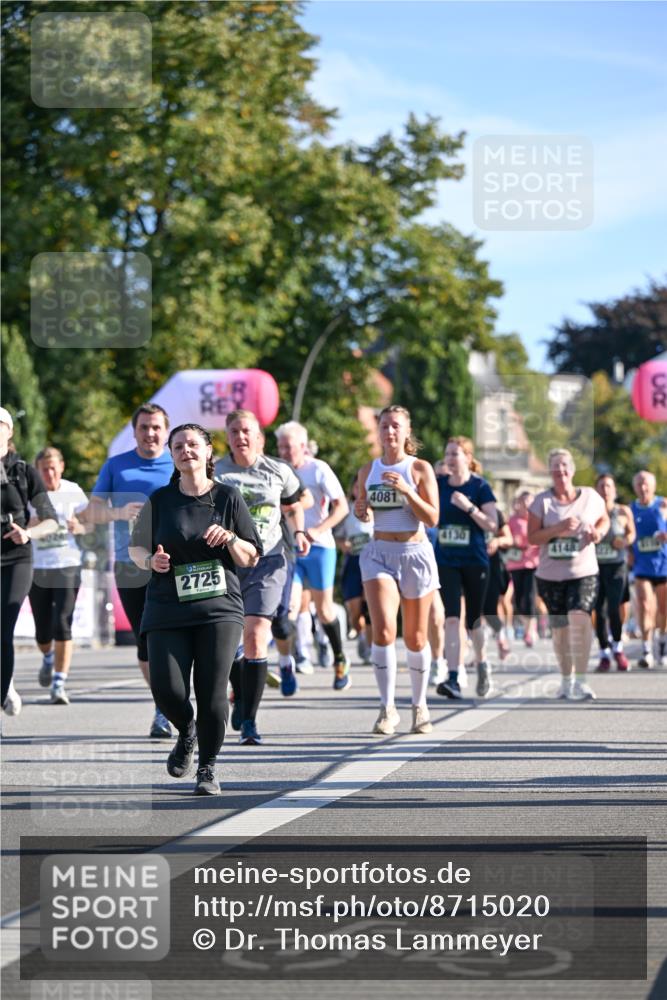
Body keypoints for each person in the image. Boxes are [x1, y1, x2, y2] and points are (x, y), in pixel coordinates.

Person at [129, 423, 262, 795]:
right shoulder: (160, 500)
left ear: (207, 452)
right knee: (166, 689)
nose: (185, 450)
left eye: (192, 444)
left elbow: (251, 555)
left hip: (218, 608)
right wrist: (148, 563)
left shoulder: (228, 498)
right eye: (178, 446)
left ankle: (207, 767)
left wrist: (232, 537)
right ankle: (186, 731)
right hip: (167, 605)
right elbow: (136, 548)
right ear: (172, 456)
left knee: (212, 691)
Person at [214, 409, 310, 744]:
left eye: (247, 432)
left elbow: (295, 503)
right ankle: (239, 695)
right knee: (225, 642)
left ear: (259, 438)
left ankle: (251, 721)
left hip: (269, 560)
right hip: (225, 564)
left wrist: (299, 532)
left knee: (255, 635)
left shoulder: (278, 471)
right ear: (227, 437)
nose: (241, 437)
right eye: (234, 431)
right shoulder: (216, 473)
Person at [82, 403, 174, 738]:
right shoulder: (116, 466)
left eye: (156, 428)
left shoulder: (179, 461)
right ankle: (163, 704)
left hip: (176, 563)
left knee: (176, 637)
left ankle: (175, 701)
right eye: (144, 428)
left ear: (166, 431)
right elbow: (90, 513)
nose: (150, 433)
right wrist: (118, 513)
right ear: (134, 432)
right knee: (146, 639)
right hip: (129, 564)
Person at [355, 405, 439, 735]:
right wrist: (361, 509)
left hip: (414, 552)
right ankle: (387, 708)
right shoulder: (368, 469)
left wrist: (407, 491)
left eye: (396, 426)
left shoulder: (419, 468)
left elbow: (432, 518)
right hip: (379, 552)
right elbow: (363, 510)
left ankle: (420, 706)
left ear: (407, 432)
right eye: (384, 426)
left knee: (416, 638)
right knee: (384, 630)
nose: (389, 432)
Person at [274, 421, 351, 689]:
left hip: (319, 547)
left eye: (289, 446)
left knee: (325, 610)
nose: (284, 451)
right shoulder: (277, 470)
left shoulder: (319, 469)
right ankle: (289, 664)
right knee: (289, 609)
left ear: (303, 447)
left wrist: (317, 530)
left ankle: (340, 658)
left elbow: (342, 508)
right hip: (290, 548)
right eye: (281, 446)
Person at [527, 449, 608, 701]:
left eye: (564, 467)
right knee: (561, 630)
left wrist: (598, 533)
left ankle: (581, 680)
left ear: (572, 470)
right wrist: (559, 528)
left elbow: (603, 519)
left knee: (580, 618)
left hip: (583, 571)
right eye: (554, 468)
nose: (560, 472)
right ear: (550, 473)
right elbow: (532, 538)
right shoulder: (542, 502)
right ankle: (566, 680)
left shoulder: (591, 497)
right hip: (550, 575)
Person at [1, 407, 58, 714]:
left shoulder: (23, 470)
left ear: (9, 432)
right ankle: (4, 684)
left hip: (16, 558)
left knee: (2, 629)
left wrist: (28, 533)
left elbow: (50, 520)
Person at [434, 437, 498, 700]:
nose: (450, 458)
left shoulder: (480, 486)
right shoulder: (439, 485)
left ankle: (482, 664)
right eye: (447, 454)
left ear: (468, 458)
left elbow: (492, 524)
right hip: (446, 560)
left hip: (474, 560)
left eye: (455, 454)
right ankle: (453, 677)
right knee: (451, 618)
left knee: (473, 621)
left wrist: (469, 507)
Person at [28, 447, 89, 704]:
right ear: (38, 472)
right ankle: (48, 657)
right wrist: (31, 525)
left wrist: (80, 526)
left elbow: (90, 524)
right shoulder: (31, 495)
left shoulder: (73, 491)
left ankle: (58, 683)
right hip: (37, 567)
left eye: (53, 468)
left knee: (62, 622)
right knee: (42, 631)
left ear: (61, 467)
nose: (49, 473)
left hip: (68, 564)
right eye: (44, 470)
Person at [593, 474, 635, 671]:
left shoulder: (623, 511)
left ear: (614, 489)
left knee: (614, 608)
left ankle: (618, 648)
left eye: (608, 486)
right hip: (594, 567)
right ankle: (603, 653)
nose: (605, 490)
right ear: (596, 489)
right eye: (601, 486)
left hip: (617, 566)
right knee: (598, 610)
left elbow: (632, 533)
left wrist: (624, 542)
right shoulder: (590, 511)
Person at [630, 470, 667, 668]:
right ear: (634, 487)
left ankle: (662, 643)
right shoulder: (630, 509)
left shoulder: (663, 506)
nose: (643, 488)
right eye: (639, 484)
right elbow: (627, 534)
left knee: (663, 609)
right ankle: (646, 649)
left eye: (646, 484)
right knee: (644, 605)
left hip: (663, 566)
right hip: (641, 566)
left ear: (653, 486)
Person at [335, 478, 374, 664]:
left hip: (374, 561)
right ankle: (361, 635)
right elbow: (337, 536)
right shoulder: (348, 510)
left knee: (370, 605)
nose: (359, 490)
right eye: (356, 486)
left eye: (363, 487)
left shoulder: (377, 509)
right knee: (355, 608)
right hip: (353, 561)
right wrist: (344, 545)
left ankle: (371, 645)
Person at [505, 490, 540, 647]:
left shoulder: (537, 520)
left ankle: (530, 631)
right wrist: (513, 541)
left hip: (532, 564)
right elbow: (505, 537)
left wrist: (530, 543)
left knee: (530, 596)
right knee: (519, 599)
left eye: (529, 502)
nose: (526, 505)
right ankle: (527, 627)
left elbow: (542, 540)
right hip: (515, 564)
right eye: (523, 501)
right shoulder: (512, 520)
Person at [482, 507, 513, 659]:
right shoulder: (457, 507)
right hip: (462, 564)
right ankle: (475, 654)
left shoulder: (494, 511)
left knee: (489, 609)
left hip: (490, 566)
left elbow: (509, 539)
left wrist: (497, 540)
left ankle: (500, 636)